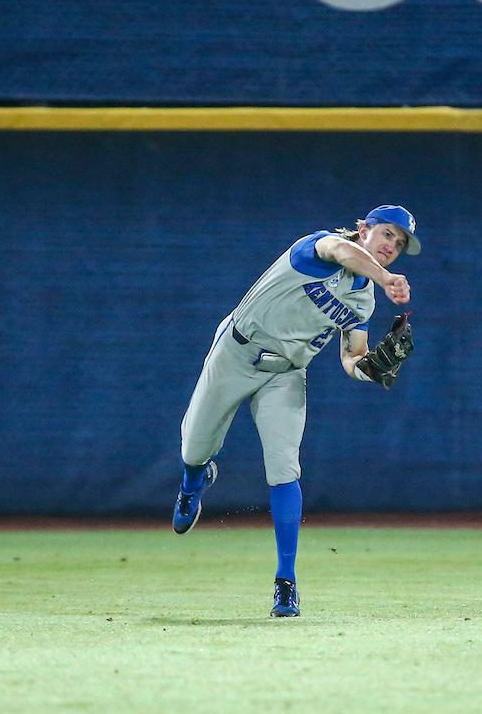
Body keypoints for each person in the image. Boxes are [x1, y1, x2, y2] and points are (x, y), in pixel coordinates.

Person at [172, 204, 420, 617]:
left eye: (400, 242)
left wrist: (372, 371)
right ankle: (193, 482)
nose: (392, 246)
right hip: (237, 353)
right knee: (194, 447)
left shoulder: (363, 300)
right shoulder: (318, 247)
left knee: (285, 468)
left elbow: (351, 357)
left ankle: (285, 584)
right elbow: (342, 253)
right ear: (364, 229)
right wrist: (386, 276)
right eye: (388, 234)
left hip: (286, 373)